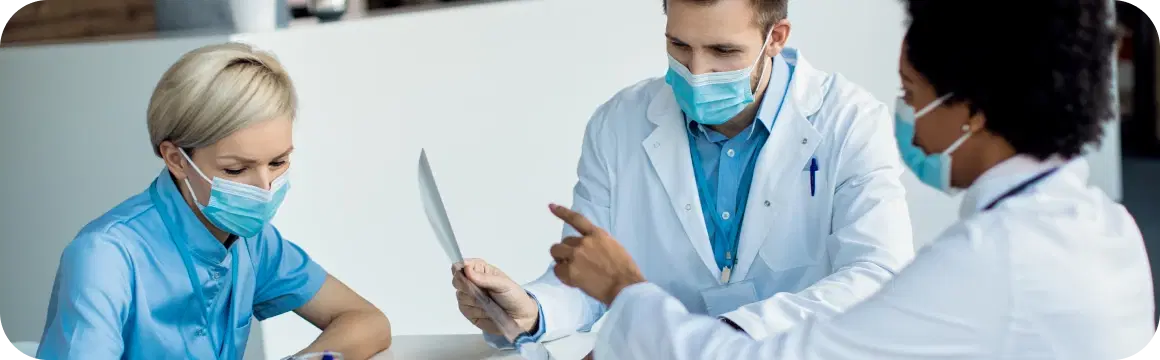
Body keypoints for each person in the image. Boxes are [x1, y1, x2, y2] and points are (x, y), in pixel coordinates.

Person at [546, 0, 1157, 358]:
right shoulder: (1109, 228)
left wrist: (628, 293)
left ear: (972, 109)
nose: (907, 124)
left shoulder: (989, 260)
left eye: (911, 95)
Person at [452, 0, 916, 349]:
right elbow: (589, 282)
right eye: (679, 45)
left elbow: (877, 274)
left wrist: (714, 341)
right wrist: (531, 311)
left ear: (776, 37)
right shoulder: (618, 123)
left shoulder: (850, 121)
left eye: (723, 51)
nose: (696, 72)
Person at [36, 43, 393, 360]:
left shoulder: (253, 242)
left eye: (278, 162)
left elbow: (366, 321)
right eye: (237, 170)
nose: (264, 187)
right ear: (176, 160)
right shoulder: (105, 256)